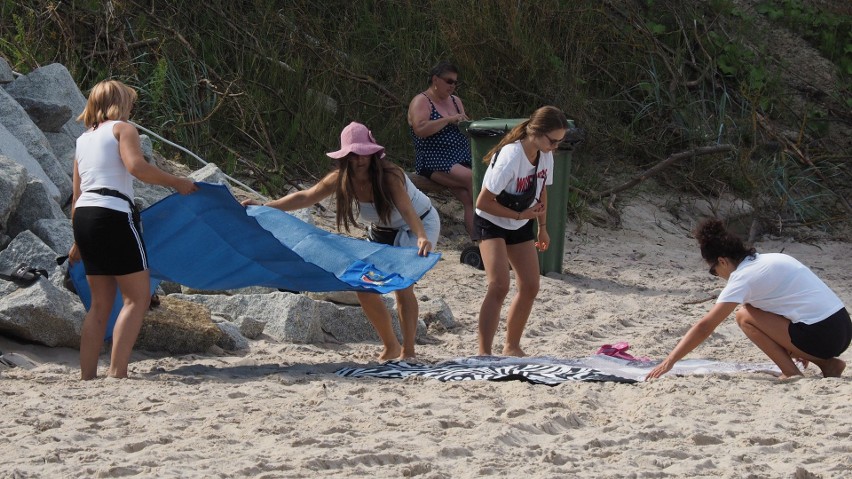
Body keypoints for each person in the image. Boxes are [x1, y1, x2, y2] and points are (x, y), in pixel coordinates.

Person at [242, 122, 439, 361]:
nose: (359, 160)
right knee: (363, 286)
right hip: (381, 230)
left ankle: (408, 350)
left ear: (373, 153)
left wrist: (421, 237)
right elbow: (306, 196)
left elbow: (408, 211)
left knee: (401, 285)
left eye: (364, 153)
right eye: (353, 155)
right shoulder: (341, 178)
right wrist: (264, 208)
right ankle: (391, 345)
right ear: (345, 156)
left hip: (418, 224)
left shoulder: (389, 175)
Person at [69, 80, 198, 380]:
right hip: (113, 214)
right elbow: (136, 167)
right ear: (120, 103)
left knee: (99, 303)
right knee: (137, 298)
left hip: (84, 217)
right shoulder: (122, 130)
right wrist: (177, 182)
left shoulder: (82, 140)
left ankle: (87, 376)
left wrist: (76, 240)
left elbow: (76, 196)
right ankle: (117, 372)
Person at [647, 219, 850, 380]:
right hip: (843, 327)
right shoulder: (773, 259)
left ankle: (794, 371)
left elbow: (705, 326)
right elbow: (787, 306)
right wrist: (791, 346)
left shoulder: (743, 278)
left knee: (744, 316)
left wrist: (670, 361)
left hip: (822, 334)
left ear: (722, 261)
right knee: (752, 307)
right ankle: (825, 363)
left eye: (713, 271)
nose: (717, 275)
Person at [474, 106, 569, 357]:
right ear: (536, 131)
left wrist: (543, 228)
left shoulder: (544, 154)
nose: (555, 147)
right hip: (491, 221)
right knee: (498, 285)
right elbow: (482, 202)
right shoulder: (511, 156)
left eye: (560, 142)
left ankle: (512, 346)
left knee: (530, 285)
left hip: (521, 221)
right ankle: (484, 353)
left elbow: (542, 191)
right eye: (553, 140)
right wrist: (520, 215)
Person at [407, 61, 474, 239]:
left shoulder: (456, 101)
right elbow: (420, 129)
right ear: (435, 80)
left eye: (455, 83)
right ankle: (488, 235)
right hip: (434, 159)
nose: (452, 86)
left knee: (469, 198)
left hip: (461, 157)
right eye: (448, 81)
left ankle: (480, 242)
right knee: (474, 181)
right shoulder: (422, 101)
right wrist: (449, 119)